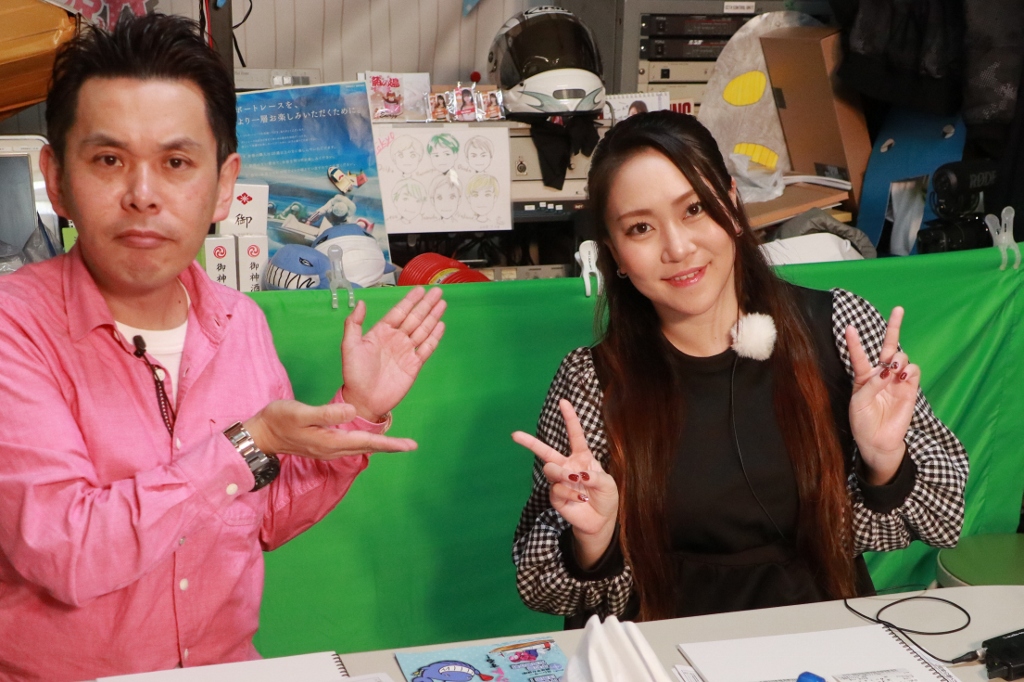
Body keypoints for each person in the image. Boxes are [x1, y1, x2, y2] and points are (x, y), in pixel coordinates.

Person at [0, 14, 446, 681]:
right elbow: (67, 552)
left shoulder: (240, 323)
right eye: (109, 160)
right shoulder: (14, 328)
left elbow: (263, 518)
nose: (142, 195)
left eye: (176, 163)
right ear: (57, 178)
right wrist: (247, 442)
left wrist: (353, 410)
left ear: (222, 186)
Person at [511, 111, 968, 625]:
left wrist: (885, 461)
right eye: (640, 228)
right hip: (659, 647)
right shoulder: (590, 380)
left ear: (731, 202)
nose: (677, 248)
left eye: (694, 209)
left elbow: (944, 511)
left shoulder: (841, 327)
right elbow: (541, 583)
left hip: (824, 638)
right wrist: (593, 539)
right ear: (614, 253)